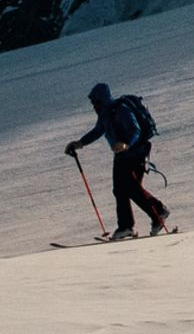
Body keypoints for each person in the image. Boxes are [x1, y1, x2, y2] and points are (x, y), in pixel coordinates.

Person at [64, 82, 170, 237]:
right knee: (120, 190)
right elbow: (97, 131)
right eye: (93, 103)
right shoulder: (105, 115)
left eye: (96, 102)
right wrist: (79, 143)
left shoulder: (121, 110)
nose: (94, 106)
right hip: (121, 156)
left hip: (136, 154)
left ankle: (159, 212)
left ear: (102, 100)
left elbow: (135, 129)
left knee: (132, 188)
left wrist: (126, 144)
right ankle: (126, 227)